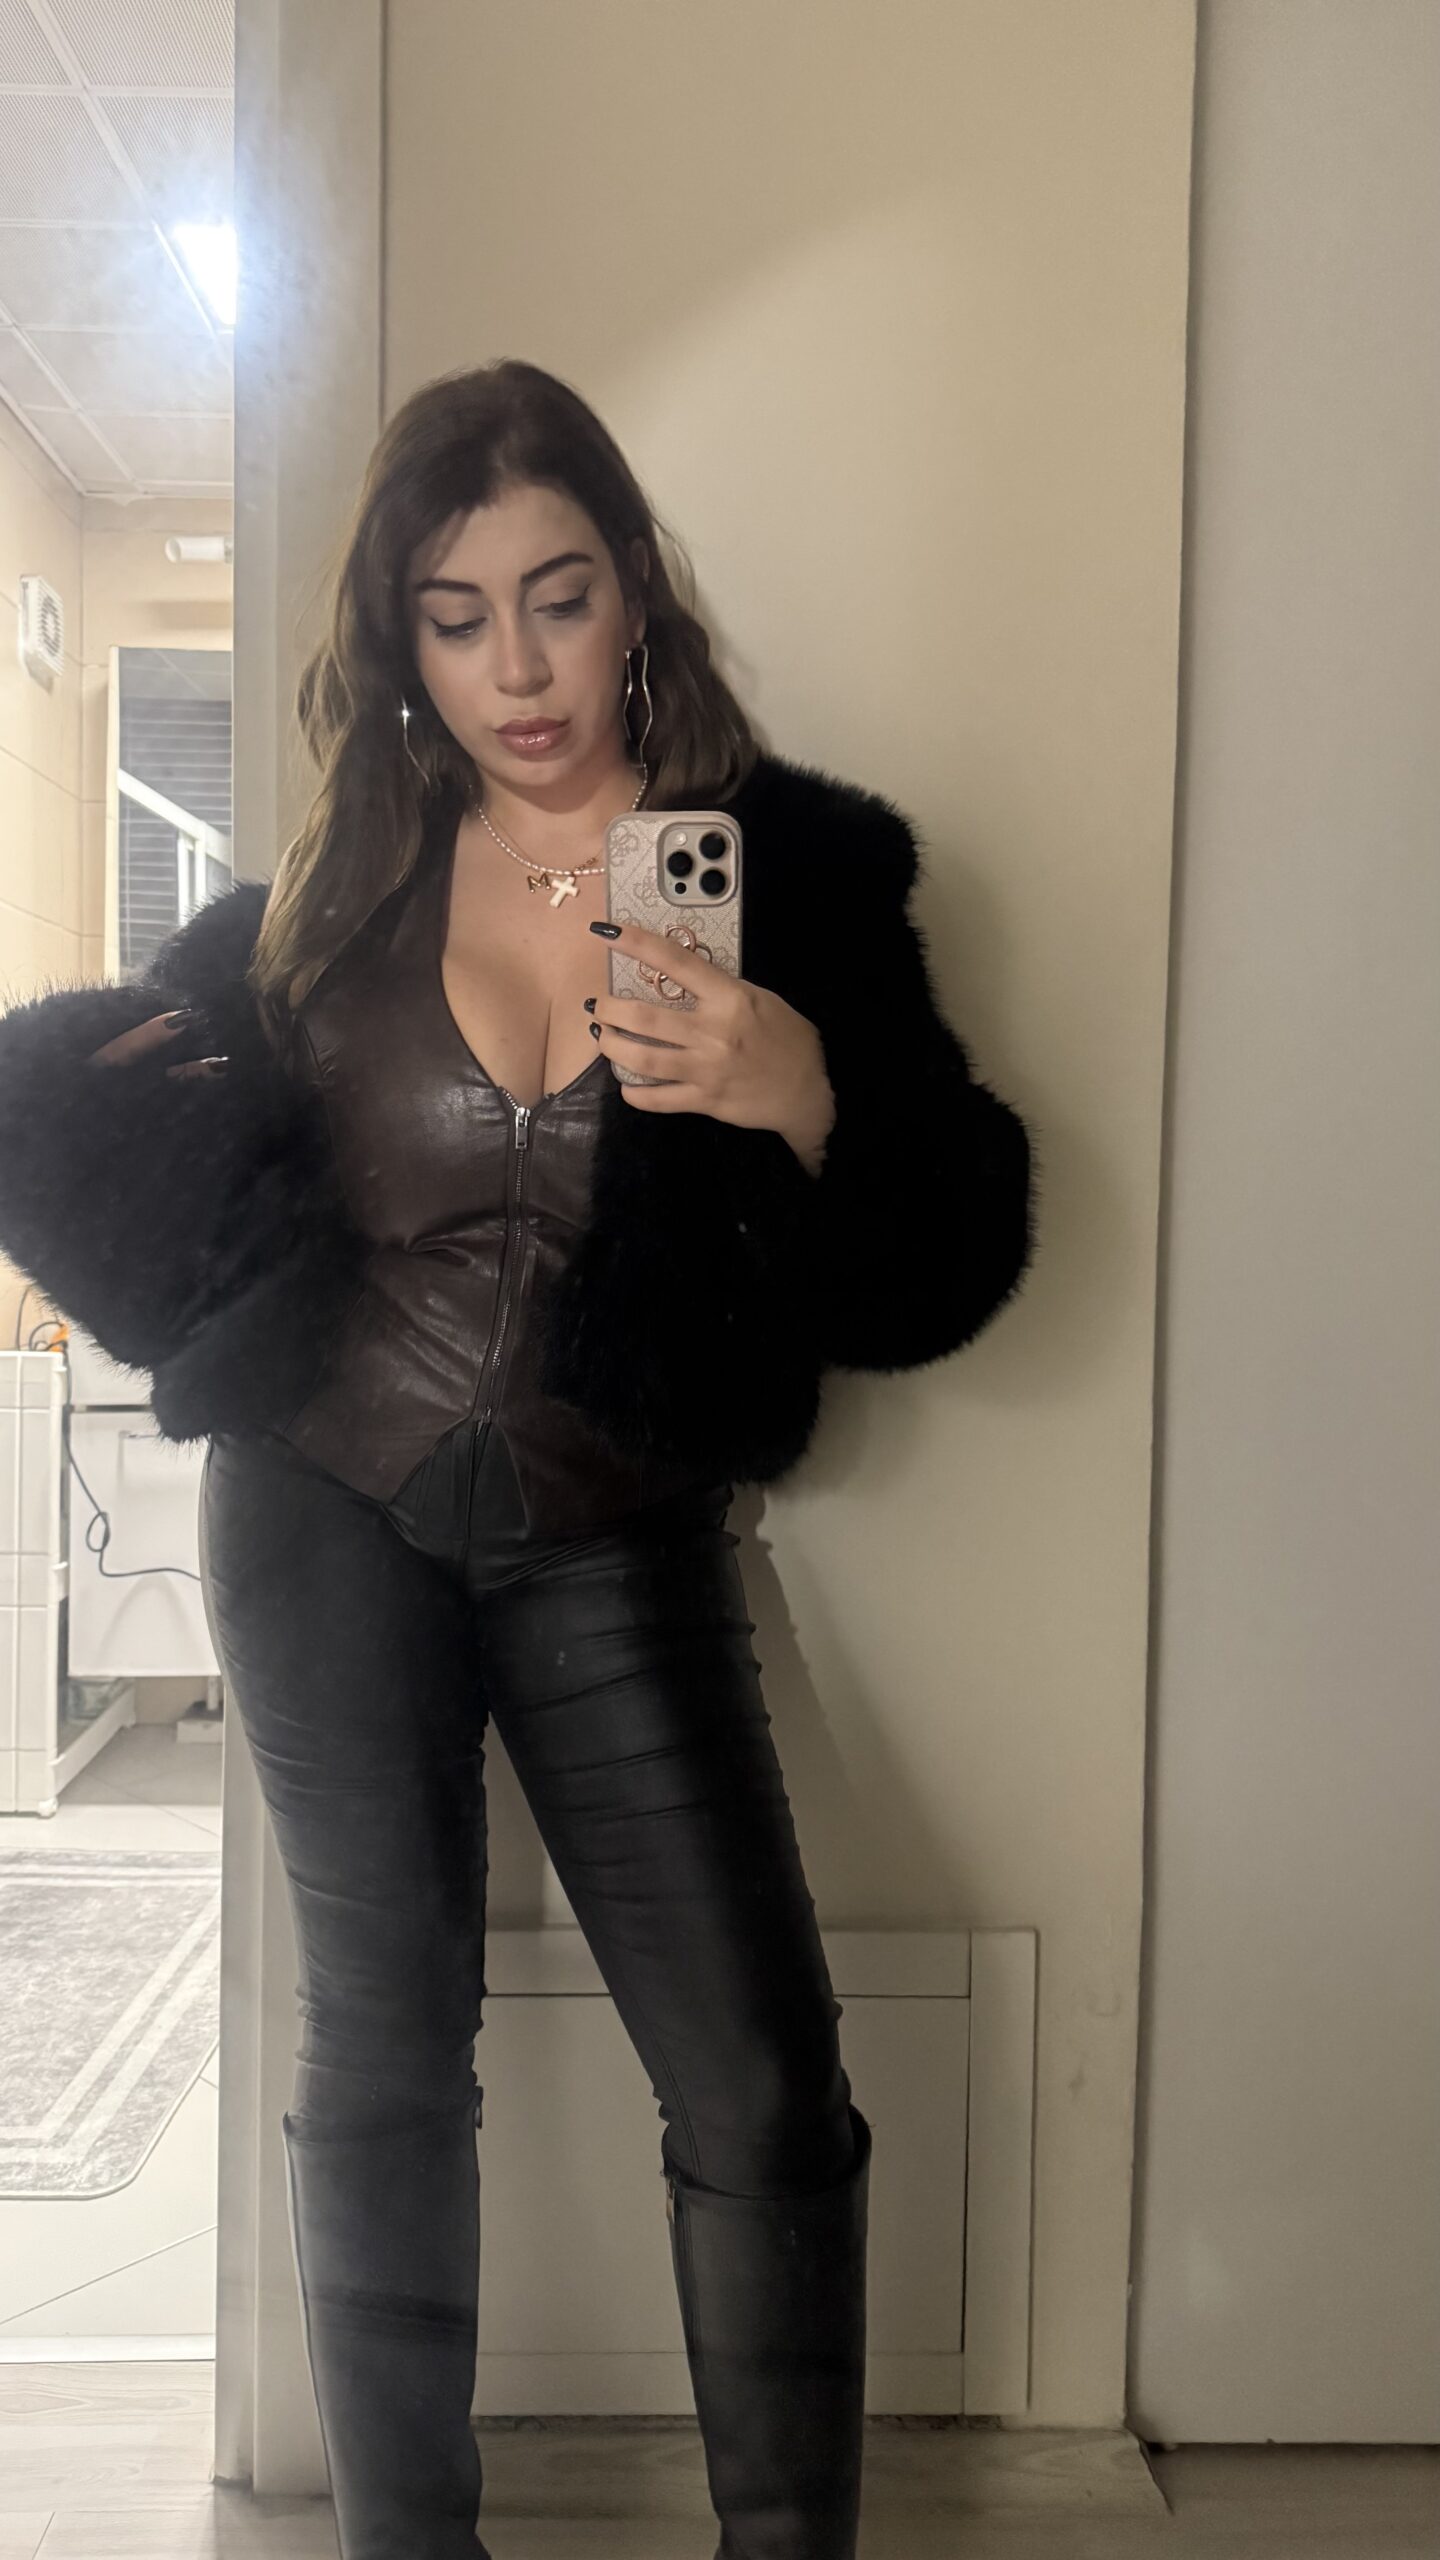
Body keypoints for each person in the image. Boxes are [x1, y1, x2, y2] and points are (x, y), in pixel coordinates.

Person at [0, 359, 1037, 2560]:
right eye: (457, 617)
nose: (519, 670)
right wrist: (131, 1198)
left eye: (558, 598)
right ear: (403, 637)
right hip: (322, 1513)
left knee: (761, 2080)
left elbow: (951, 1251)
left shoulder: (790, 873)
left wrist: (802, 1091)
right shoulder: (334, 889)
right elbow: (120, 1154)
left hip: (614, 1527)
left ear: (634, 587)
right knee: (384, 2049)